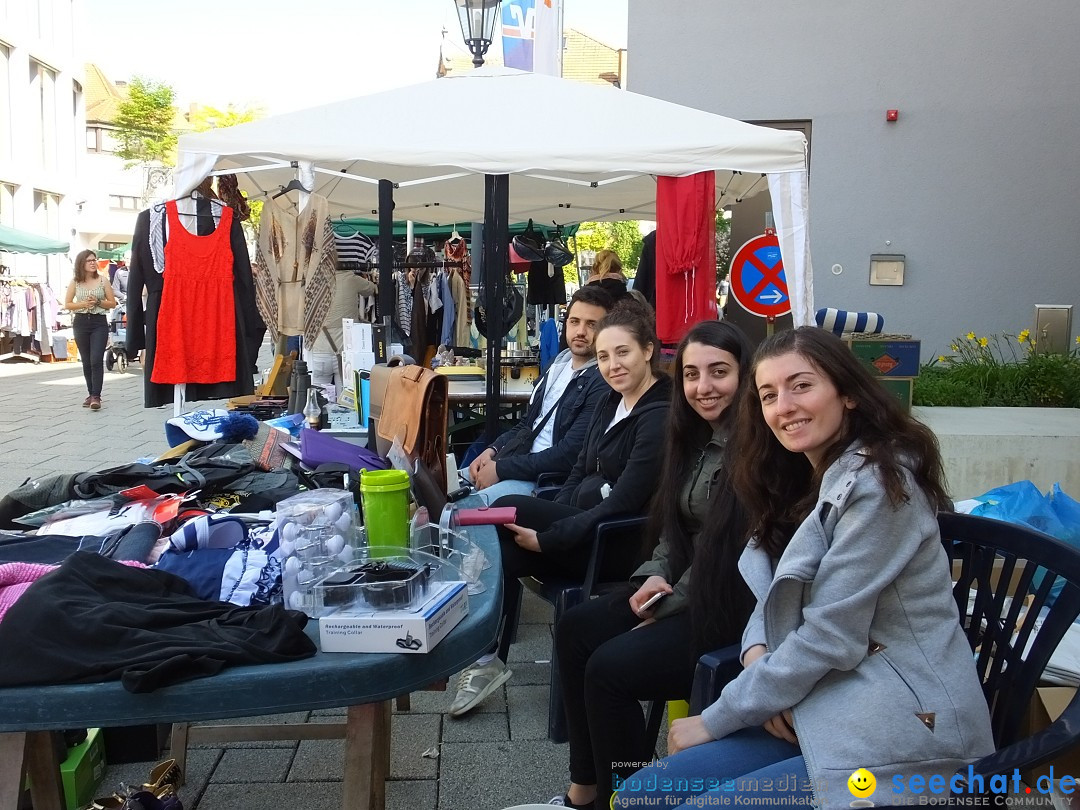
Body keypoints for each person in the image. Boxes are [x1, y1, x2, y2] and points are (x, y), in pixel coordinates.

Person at [616, 327, 995, 810]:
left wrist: (716, 718)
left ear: (848, 393)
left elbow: (830, 637)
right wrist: (758, 656)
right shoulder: (804, 476)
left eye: (801, 385)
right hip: (822, 695)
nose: (783, 406)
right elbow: (772, 590)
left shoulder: (880, 487)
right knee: (637, 795)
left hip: (902, 722)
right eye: (769, 395)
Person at [551, 320, 756, 810]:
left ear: (745, 375)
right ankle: (586, 789)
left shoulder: (758, 450)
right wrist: (653, 575)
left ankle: (627, 797)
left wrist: (666, 605)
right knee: (577, 628)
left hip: (732, 608)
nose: (703, 387)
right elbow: (673, 528)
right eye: (691, 374)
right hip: (681, 587)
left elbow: (728, 553)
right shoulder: (691, 438)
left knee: (610, 669)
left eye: (719, 372)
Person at [450, 300, 672, 717]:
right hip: (585, 528)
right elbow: (579, 468)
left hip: (622, 542)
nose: (612, 365)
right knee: (501, 545)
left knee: (506, 509)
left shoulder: (659, 416)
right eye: (604, 357)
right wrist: (558, 510)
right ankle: (479, 658)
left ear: (647, 349)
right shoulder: (612, 400)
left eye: (622, 353)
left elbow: (625, 501)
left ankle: (471, 649)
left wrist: (551, 536)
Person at [466, 286, 614, 502]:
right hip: (519, 462)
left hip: (547, 482)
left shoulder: (602, 381)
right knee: (443, 488)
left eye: (592, 324)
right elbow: (528, 425)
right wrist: (492, 450)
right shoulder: (557, 365)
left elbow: (569, 454)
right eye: (575, 321)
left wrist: (501, 469)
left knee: (466, 510)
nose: (581, 331)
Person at [65, 249, 117, 410]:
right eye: (89, 260)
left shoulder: (103, 280)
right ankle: (90, 393)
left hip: (98, 322)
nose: (93, 263)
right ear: (82, 263)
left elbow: (112, 303)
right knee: (86, 361)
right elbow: (67, 304)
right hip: (80, 322)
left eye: (94, 260)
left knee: (96, 360)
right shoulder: (75, 282)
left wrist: (98, 302)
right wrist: (83, 304)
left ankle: (96, 396)